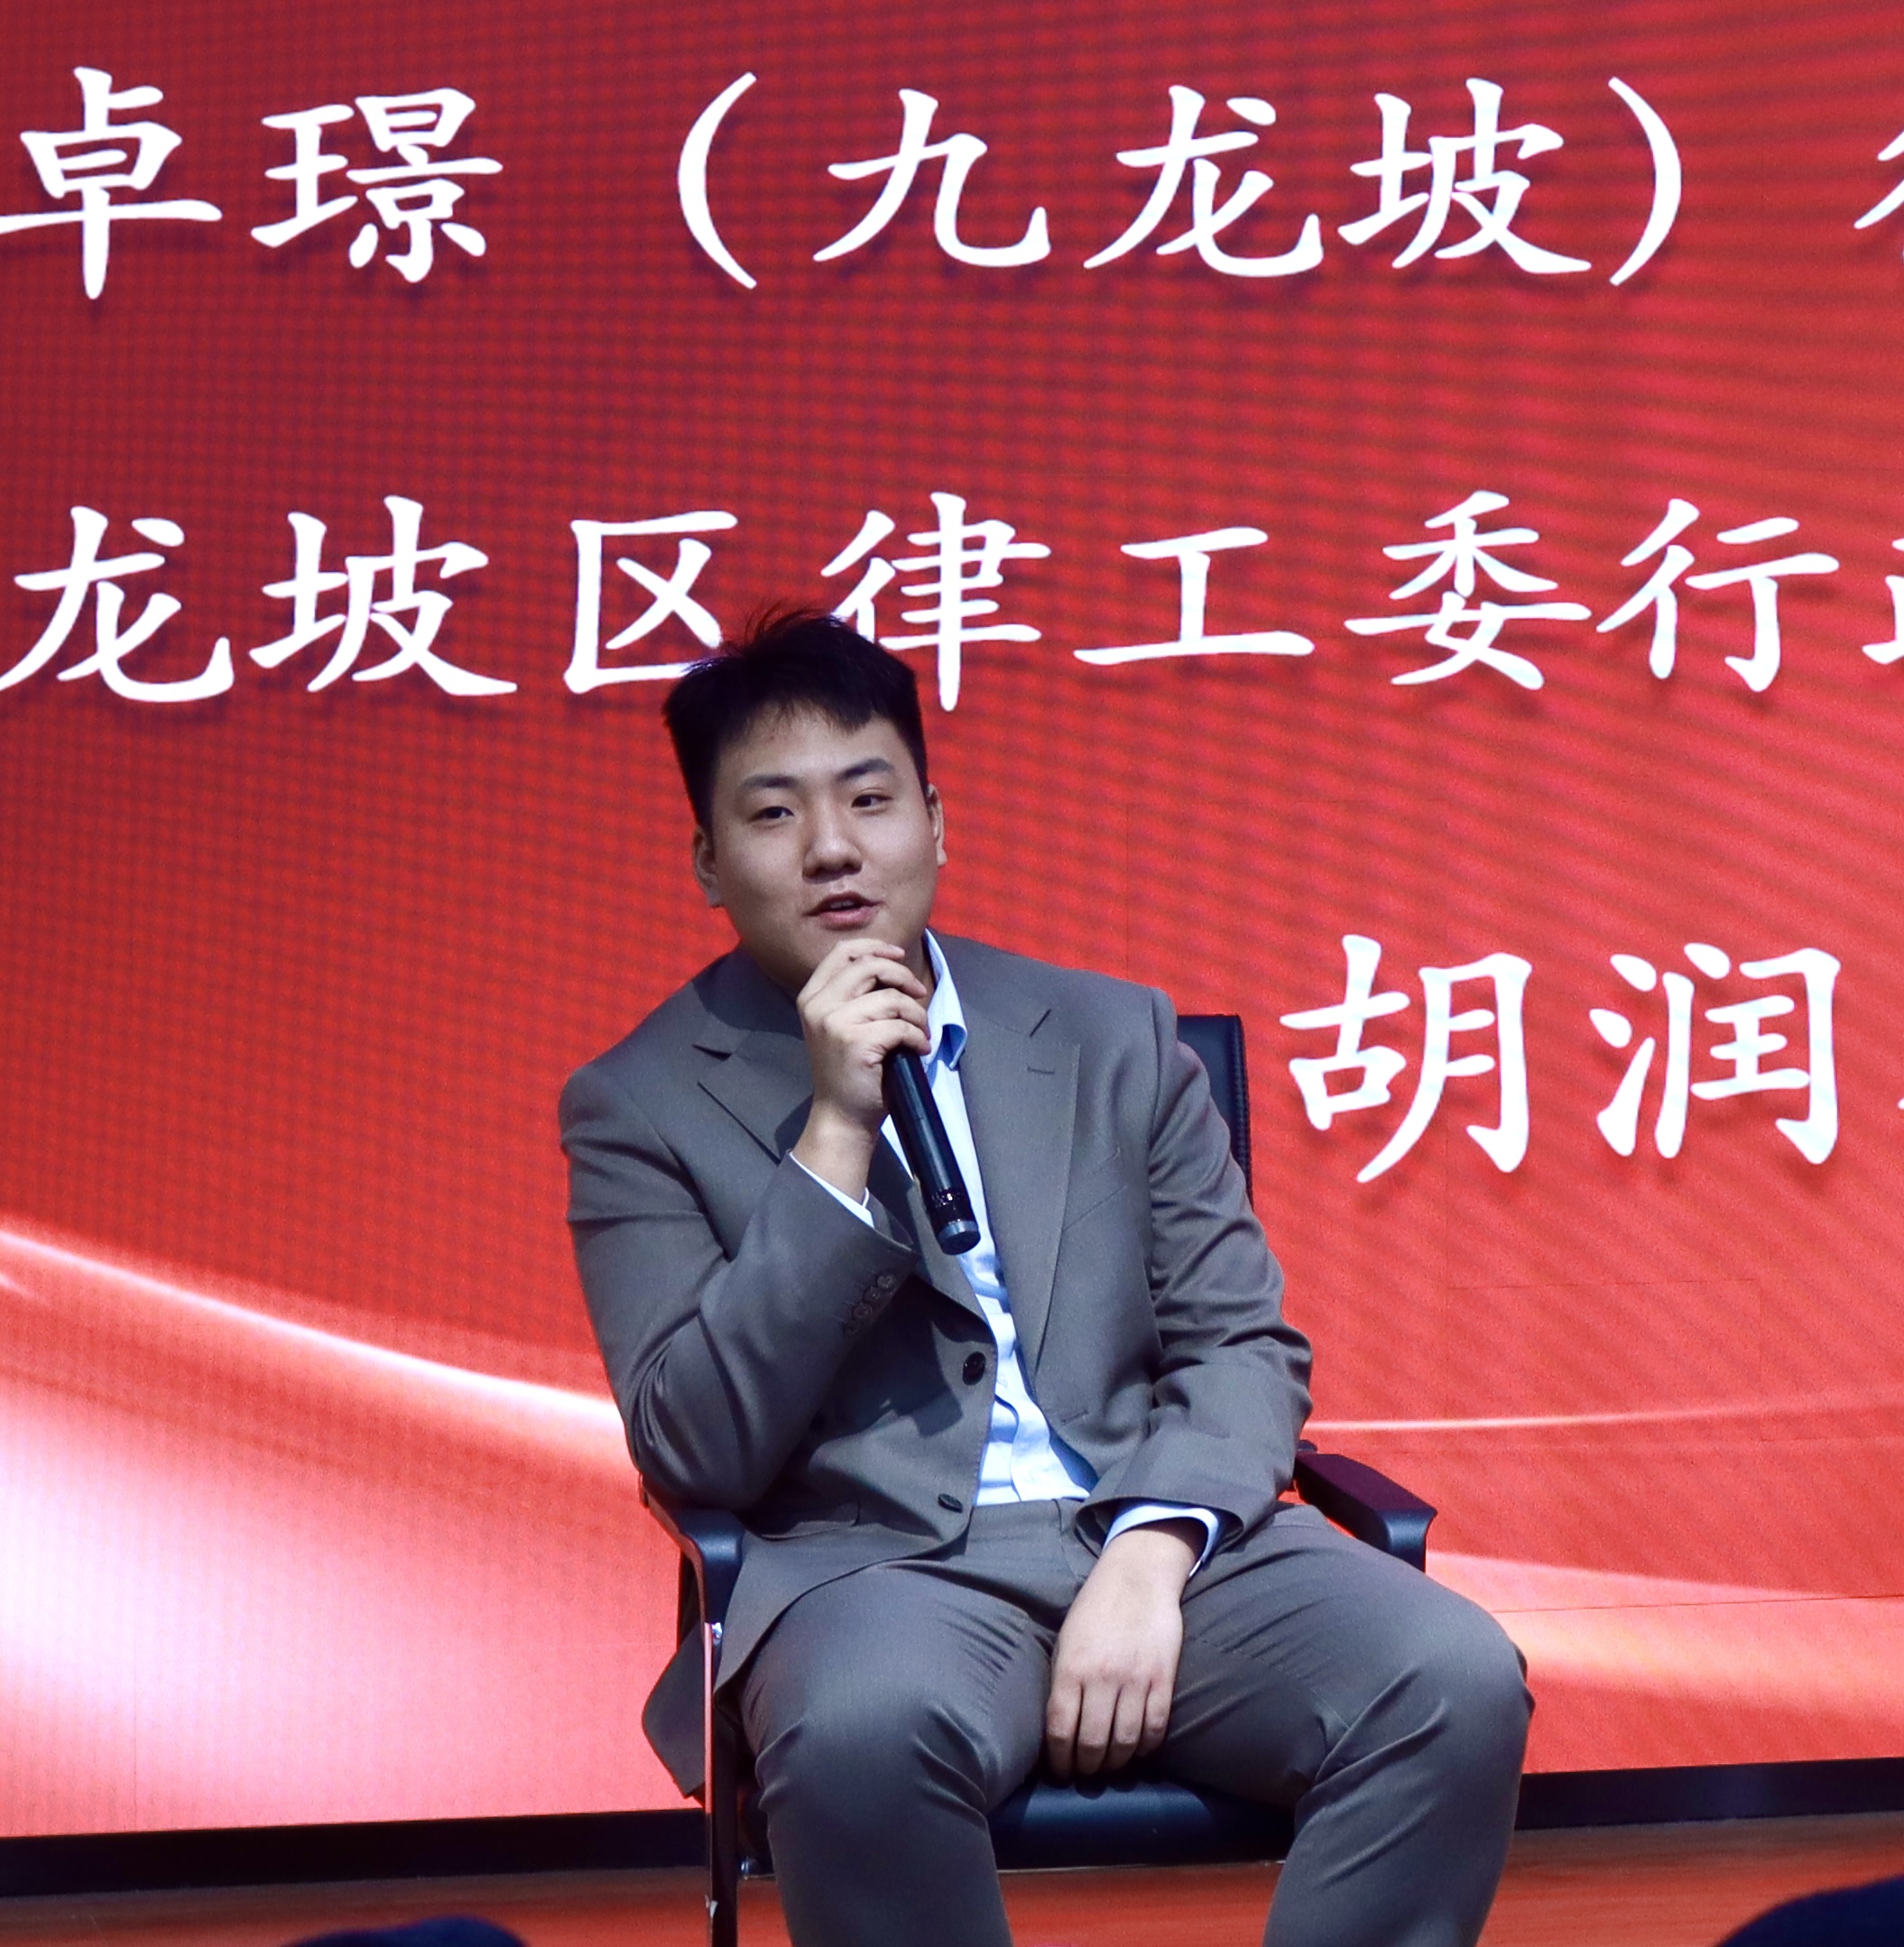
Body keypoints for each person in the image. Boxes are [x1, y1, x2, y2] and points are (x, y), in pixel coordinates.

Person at [559, 609, 1530, 1947]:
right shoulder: (639, 1100)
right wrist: (833, 1137)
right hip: (877, 1572)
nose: (833, 846)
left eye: (870, 798)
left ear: (935, 823)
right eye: (774, 813)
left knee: (1451, 1676)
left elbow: (1241, 1346)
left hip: (1161, 1534)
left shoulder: (1108, 1034)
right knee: (860, 1733)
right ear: (709, 864)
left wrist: (1151, 1546)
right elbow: (695, 1447)